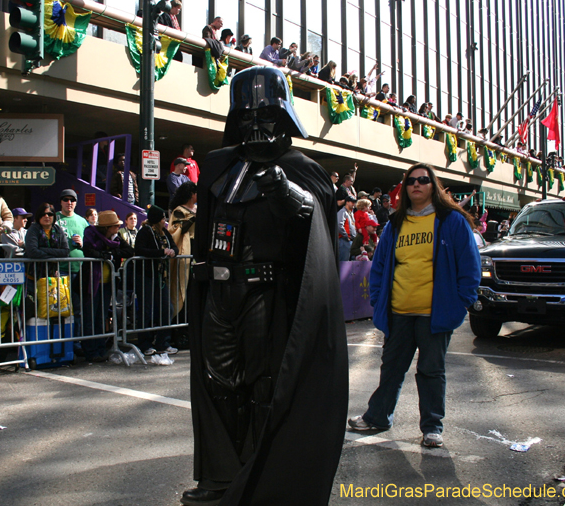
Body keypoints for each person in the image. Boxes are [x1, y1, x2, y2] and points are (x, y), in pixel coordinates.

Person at [183, 66, 347, 506]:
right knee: (217, 383)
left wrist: (285, 192)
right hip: (220, 293)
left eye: (266, 115)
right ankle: (221, 475)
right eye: (247, 115)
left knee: (262, 385)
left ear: (285, 114)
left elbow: (315, 225)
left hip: (267, 293)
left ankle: (259, 476)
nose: (256, 124)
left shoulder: (302, 169)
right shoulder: (218, 164)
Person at [348, 163, 481, 449]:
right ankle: (378, 417)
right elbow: (379, 267)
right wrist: (378, 300)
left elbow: (470, 266)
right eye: (411, 181)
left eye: (423, 180)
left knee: (431, 371)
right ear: (405, 188)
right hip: (399, 312)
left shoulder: (452, 221)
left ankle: (432, 428)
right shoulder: (396, 223)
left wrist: (461, 303)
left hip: (435, 314)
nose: (416, 185)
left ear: (434, 186)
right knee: (391, 369)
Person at [81, 211, 133, 362]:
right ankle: (90, 351)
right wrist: (106, 254)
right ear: (107, 227)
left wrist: (111, 253)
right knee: (90, 317)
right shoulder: (91, 234)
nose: (118, 228)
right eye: (115, 226)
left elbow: (129, 251)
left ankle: (100, 349)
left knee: (101, 317)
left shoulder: (115, 238)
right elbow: (89, 250)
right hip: (92, 282)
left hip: (107, 283)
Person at [134, 205, 178, 356]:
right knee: (146, 310)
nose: (165, 221)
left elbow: (174, 246)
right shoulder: (145, 232)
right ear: (157, 220)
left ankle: (163, 342)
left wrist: (172, 251)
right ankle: (144, 344)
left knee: (166, 308)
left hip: (161, 276)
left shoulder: (165, 232)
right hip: (146, 276)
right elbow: (139, 250)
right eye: (163, 218)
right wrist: (160, 252)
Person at [24, 203, 70, 316]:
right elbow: (32, 251)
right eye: (43, 214)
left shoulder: (58, 230)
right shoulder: (33, 229)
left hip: (51, 278)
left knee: (50, 310)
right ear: (38, 216)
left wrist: (43, 250)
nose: (46, 216)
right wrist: (52, 258)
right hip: (32, 277)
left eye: (50, 214)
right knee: (32, 310)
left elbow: (65, 251)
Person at [55, 188, 88, 329]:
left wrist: (82, 243)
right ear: (61, 202)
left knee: (78, 308)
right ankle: (61, 339)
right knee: (60, 308)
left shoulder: (82, 221)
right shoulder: (54, 218)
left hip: (79, 270)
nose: (69, 202)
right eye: (66, 199)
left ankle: (78, 339)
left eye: (72, 200)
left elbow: (90, 243)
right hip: (60, 270)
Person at [167, 181, 196, 320]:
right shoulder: (179, 211)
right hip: (185, 249)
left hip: (198, 250)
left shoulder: (198, 208)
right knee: (184, 284)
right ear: (191, 194)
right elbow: (176, 230)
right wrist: (193, 219)